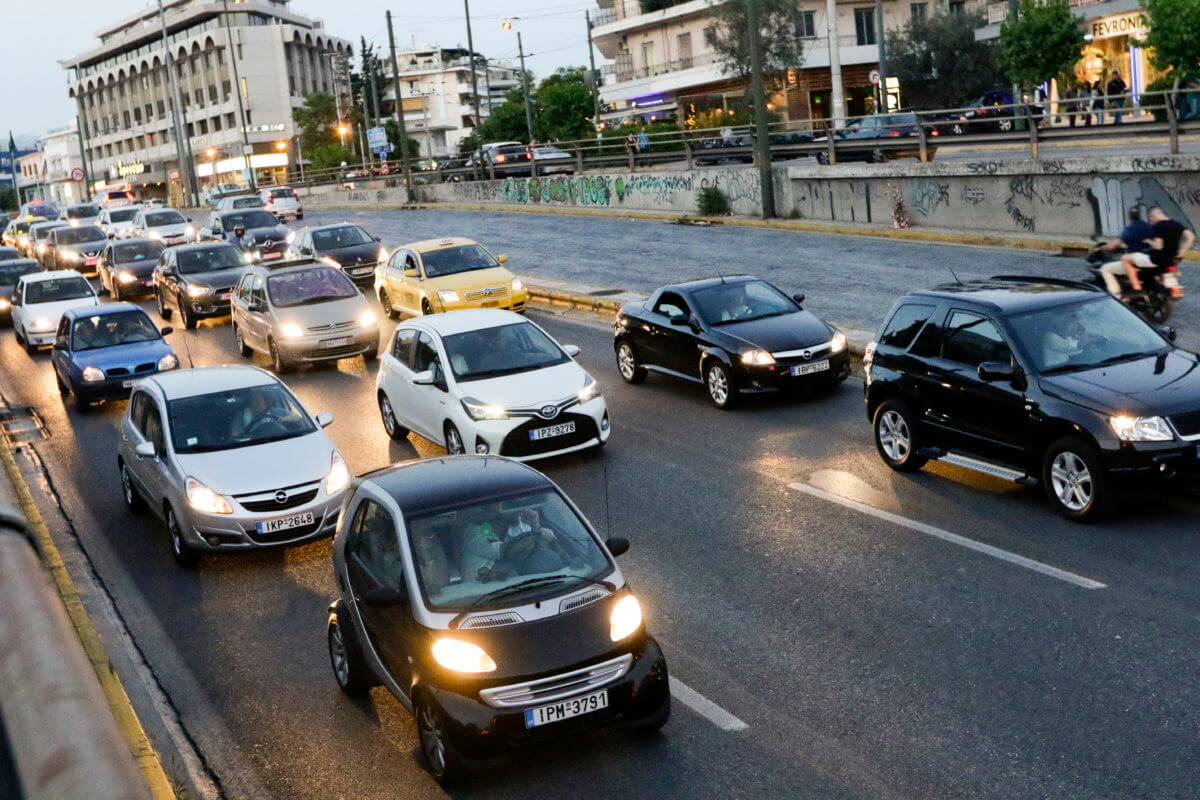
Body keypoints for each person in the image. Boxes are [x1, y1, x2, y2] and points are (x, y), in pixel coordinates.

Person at [1120, 207, 1195, 293]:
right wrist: (1180, 254)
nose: (1151, 221)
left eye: (1150, 218)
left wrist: (1150, 242)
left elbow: (1158, 246)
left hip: (1155, 260)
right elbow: (1190, 236)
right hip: (1170, 260)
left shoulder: (1158, 226)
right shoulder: (1176, 224)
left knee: (1125, 258)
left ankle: (1136, 287)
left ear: (1154, 215)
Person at [1096, 207, 1153, 295]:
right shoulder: (1148, 226)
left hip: (1134, 261)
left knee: (1105, 268)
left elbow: (1113, 246)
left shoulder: (1130, 228)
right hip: (1148, 259)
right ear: (1140, 215)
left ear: (1129, 216)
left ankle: (1116, 294)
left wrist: (1101, 248)